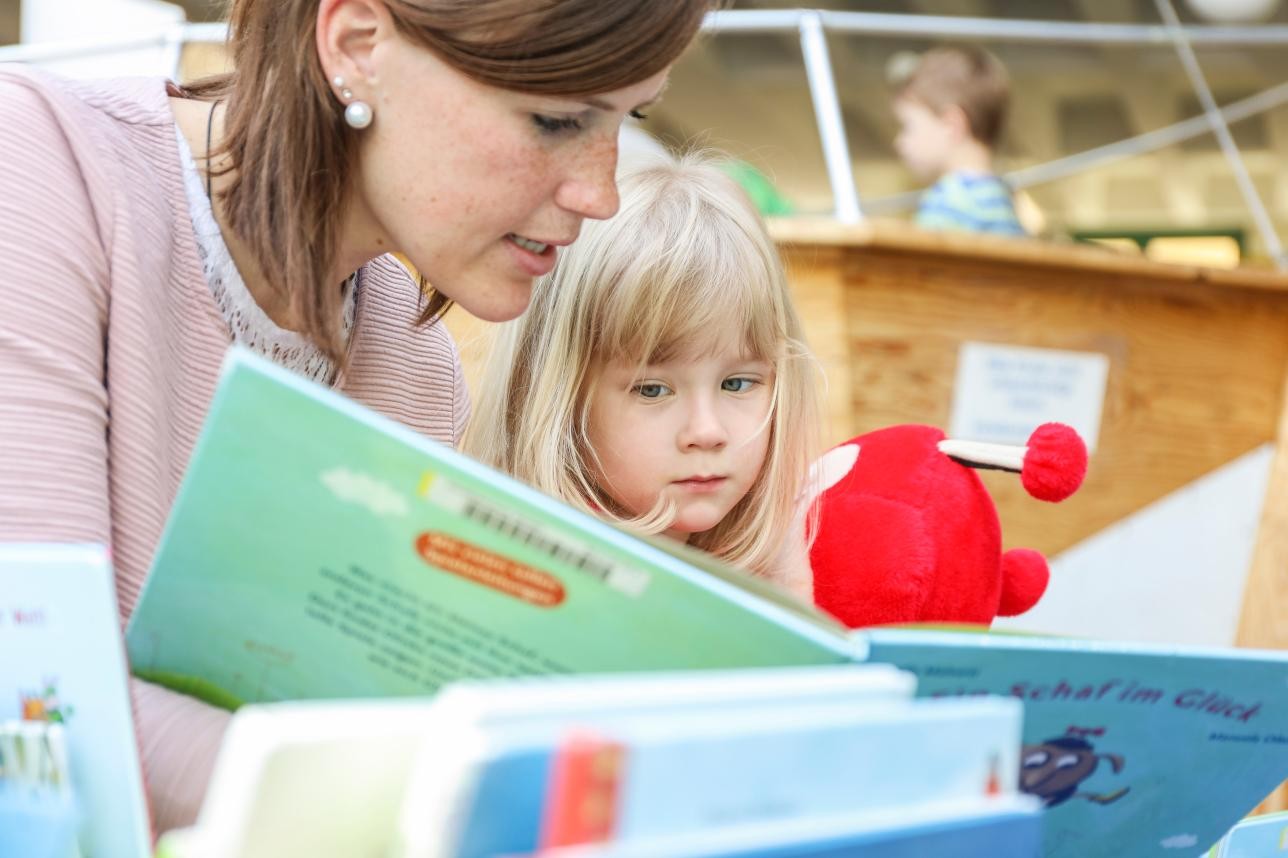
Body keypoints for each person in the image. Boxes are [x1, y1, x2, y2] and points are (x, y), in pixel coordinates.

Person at [0, 0, 711, 832]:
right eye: (555, 119)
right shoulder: (39, 174)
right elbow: (34, 689)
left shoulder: (416, 368)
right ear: (358, 44)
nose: (601, 193)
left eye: (630, 119)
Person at [466, 153, 820, 599]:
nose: (706, 432)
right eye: (652, 390)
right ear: (559, 398)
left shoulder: (781, 544)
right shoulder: (534, 584)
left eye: (737, 383)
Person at [891, 44, 1028, 237]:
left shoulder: (945, 202)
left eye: (908, 126)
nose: (899, 142)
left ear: (951, 124)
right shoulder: (1005, 198)